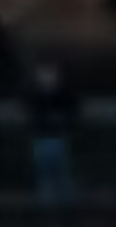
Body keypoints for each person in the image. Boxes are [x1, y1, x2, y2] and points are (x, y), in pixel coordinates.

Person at [28, 66, 79, 204]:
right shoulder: (35, 93)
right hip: (42, 135)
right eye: (44, 75)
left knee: (59, 169)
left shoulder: (63, 92)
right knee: (44, 170)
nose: (47, 78)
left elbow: (72, 111)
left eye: (49, 75)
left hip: (56, 135)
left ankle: (64, 200)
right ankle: (47, 200)